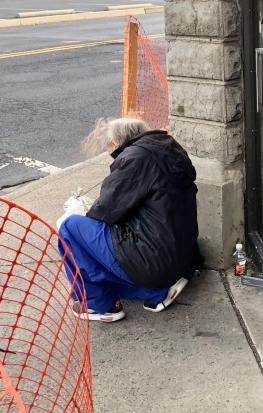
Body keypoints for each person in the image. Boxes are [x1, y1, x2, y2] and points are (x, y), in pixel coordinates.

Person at [57, 117, 200, 322]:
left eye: (110, 147)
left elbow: (105, 211)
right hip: (181, 256)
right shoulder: (167, 148)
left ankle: (100, 304)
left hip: (156, 260)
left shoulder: (135, 158)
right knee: (103, 243)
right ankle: (158, 292)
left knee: (70, 228)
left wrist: (80, 210)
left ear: (117, 143)